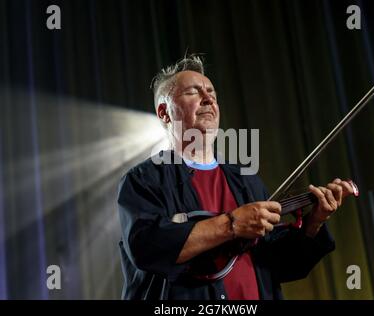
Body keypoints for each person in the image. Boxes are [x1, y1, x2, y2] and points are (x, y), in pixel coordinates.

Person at [117, 55, 355, 300]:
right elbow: (147, 247)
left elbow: (277, 263)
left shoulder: (245, 180)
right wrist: (232, 224)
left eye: (211, 92)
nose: (208, 98)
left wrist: (314, 222)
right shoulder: (143, 180)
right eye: (192, 92)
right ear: (164, 112)